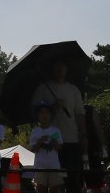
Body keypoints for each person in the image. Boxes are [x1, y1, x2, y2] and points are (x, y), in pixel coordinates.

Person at [31, 59, 87, 193]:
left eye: (62, 65)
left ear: (67, 69)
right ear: (52, 69)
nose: (59, 69)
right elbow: (35, 114)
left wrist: (84, 136)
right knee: (53, 184)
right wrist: (54, 107)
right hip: (50, 143)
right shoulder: (43, 88)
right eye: (56, 66)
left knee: (73, 181)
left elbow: (80, 114)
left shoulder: (73, 90)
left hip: (71, 139)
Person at [29, 101, 63, 193]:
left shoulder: (55, 130)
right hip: (40, 166)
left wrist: (54, 142)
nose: (44, 115)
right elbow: (32, 149)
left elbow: (59, 148)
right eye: (41, 112)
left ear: (51, 115)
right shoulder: (35, 131)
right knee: (41, 190)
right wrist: (40, 141)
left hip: (54, 165)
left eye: (47, 112)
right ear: (38, 116)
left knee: (55, 189)